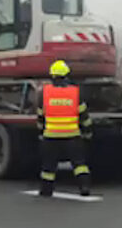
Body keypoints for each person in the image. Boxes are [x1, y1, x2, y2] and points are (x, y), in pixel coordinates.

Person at [37, 60, 92, 197]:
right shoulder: (75, 93)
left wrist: (40, 133)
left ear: (52, 75)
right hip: (72, 137)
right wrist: (88, 133)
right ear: (67, 75)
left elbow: (40, 117)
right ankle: (84, 187)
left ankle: (46, 191)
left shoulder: (44, 93)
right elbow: (84, 116)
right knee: (79, 165)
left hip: (51, 137)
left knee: (48, 167)